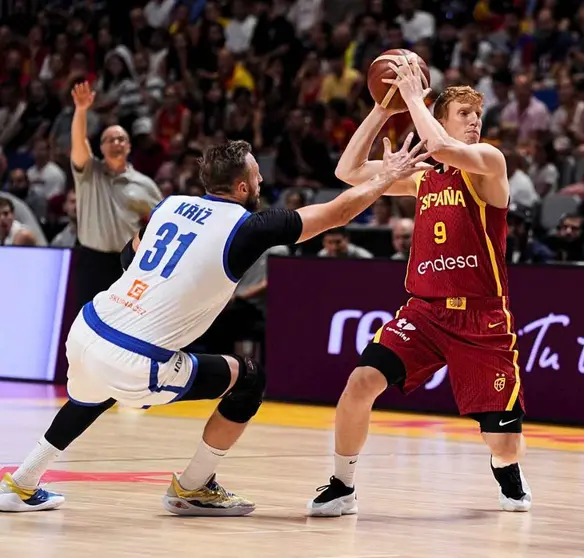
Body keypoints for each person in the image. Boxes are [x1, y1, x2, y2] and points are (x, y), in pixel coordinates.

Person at [0, 138, 431, 514]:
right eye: (257, 177)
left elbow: (127, 258)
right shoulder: (249, 227)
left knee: (97, 388)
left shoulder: (167, 205)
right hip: (136, 359)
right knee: (249, 378)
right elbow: (337, 213)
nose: (261, 184)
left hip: (89, 328)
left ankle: (22, 481)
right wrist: (386, 176)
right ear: (242, 186)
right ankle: (193, 486)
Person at [308, 57, 530, 517]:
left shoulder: (490, 161)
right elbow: (347, 172)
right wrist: (383, 110)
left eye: (477, 115)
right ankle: (342, 484)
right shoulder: (423, 178)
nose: (474, 122)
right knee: (360, 382)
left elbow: (442, 147)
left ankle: (506, 470)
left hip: (481, 316)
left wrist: (413, 97)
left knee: (503, 441)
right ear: (444, 117)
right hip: (425, 312)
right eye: (463, 115)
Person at [68, 81, 162, 309]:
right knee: (87, 326)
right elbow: (79, 142)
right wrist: (81, 110)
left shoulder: (144, 184)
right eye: (110, 139)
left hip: (127, 265)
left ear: (129, 147)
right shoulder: (89, 172)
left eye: (121, 139)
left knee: (123, 327)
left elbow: (162, 223)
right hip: (91, 261)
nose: (116, 143)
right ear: (100, 147)